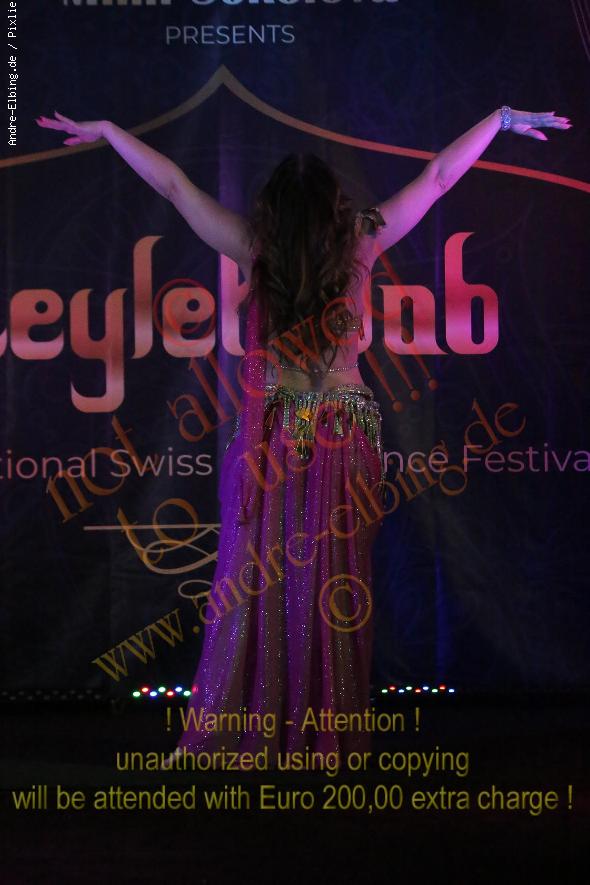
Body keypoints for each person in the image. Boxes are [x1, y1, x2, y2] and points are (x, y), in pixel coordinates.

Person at [36, 106, 571, 771]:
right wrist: (501, 120)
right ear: (333, 208)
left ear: (274, 212)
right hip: (343, 432)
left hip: (276, 435)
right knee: (332, 586)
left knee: (257, 586)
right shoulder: (362, 240)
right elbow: (437, 178)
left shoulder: (255, 247)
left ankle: (256, 733)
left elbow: (173, 185)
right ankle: (322, 742)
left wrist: (111, 133)